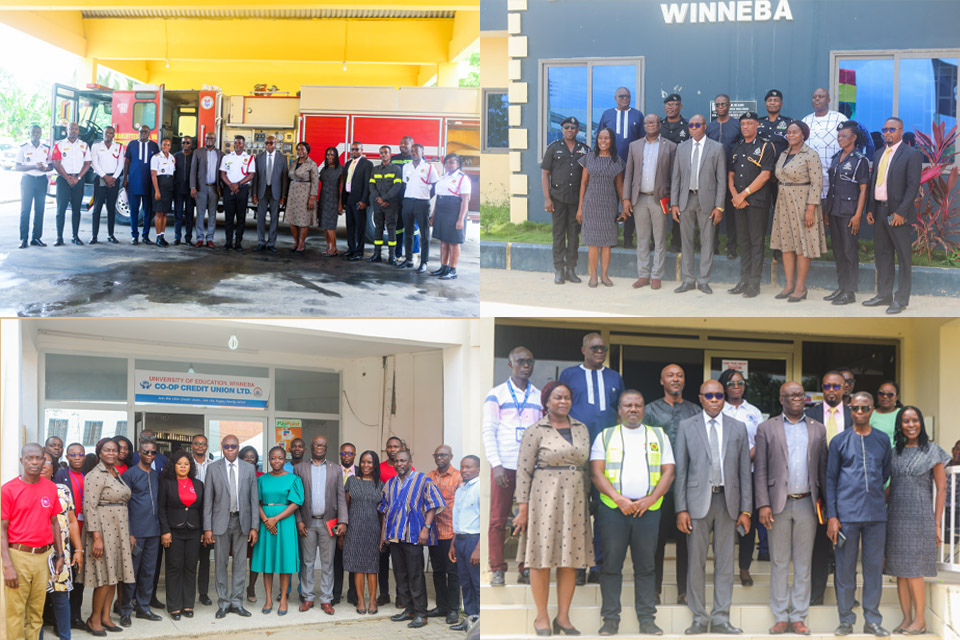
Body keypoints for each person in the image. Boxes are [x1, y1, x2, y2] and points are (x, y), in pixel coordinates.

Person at [590, 390, 676, 637]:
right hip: (613, 511)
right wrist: (619, 499)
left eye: (638, 405)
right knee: (611, 566)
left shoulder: (658, 435)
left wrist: (651, 499)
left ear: (644, 409)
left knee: (646, 567)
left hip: (648, 511)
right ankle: (610, 620)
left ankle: (647, 619)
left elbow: (668, 472)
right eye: (628, 405)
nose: (633, 409)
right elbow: (597, 473)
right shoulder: (606, 436)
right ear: (619, 409)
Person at [512, 381, 592, 636]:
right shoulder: (535, 430)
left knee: (570, 559)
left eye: (567, 397)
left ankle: (564, 618)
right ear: (546, 401)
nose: (563, 402)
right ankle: (542, 617)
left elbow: (588, 468)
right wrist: (522, 508)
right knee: (541, 559)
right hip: (544, 499)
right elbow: (523, 471)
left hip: (576, 499)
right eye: (557, 397)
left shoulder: (581, 428)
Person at [675, 379, 752, 635]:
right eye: (709, 395)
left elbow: (744, 473)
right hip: (697, 503)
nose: (715, 399)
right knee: (696, 561)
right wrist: (680, 508)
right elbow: (681, 471)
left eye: (719, 395)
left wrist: (746, 510)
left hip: (728, 502)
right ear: (700, 397)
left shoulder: (738, 428)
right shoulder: (686, 426)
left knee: (725, 562)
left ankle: (721, 617)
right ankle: (699, 616)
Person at [754, 381, 827, 635]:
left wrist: (826, 507)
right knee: (779, 561)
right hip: (777, 505)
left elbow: (822, 469)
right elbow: (760, 469)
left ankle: (798, 616)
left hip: (808, 502)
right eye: (790, 395)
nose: (796, 398)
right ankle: (780, 615)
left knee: (804, 563)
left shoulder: (818, 429)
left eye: (800, 394)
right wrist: (763, 503)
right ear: (781, 399)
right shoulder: (766, 428)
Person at [825, 391, 892, 637]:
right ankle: (845, 620)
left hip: (875, 514)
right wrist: (832, 516)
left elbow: (884, 473)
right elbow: (830, 479)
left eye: (865, 408)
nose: (860, 412)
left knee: (874, 569)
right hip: (846, 516)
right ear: (849, 410)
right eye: (855, 408)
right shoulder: (839, 441)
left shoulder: (883, 440)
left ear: (872, 409)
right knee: (844, 570)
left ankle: (872, 620)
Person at [560, 333, 624, 584]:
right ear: (583, 349)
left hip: (605, 453)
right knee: (577, 512)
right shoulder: (569, 375)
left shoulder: (614, 377)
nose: (600, 351)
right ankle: (577, 566)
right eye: (595, 348)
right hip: (575, 452)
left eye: (603, 348)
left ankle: (597, 564)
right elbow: (561, 408)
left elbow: (619, 412)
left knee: (604, 512)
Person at [886, 406, 949, 635]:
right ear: (899, 425)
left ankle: (920, 620)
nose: (910, 425)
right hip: (895, 515)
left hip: (920, 516)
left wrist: (937, 523)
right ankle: (906, 619)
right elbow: (893, 486)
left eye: (914, 420)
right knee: (900, 572)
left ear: (921, 423)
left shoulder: (933, 450)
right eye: (905, 421)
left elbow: (942, 489)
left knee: (914, 571)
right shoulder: (894, 452)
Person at [482, 346, 540, 587]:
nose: (525, 366)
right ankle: (497, 568)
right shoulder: (496, 394)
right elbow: (488, 430)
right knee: (498, 519)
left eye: (529, 361)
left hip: (532, 467)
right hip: (504, 465)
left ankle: (525, 567)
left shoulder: (538, 395)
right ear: (510, 364)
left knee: (530, 517)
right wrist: (495, 465)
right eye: (520, 361)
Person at [645, 364, 700, 605]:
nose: (675, 379)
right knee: (654, 539)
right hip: (659, 485)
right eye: (670, 375)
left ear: (684, 381)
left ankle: (684, 591)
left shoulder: (695, 410)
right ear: (661, 380)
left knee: (686, 539)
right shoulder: (649, 410)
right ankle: (653, 589)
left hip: (688, 486)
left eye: (679, 376)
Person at [2, 444, 65, 640]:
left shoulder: (50, 487)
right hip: (18, 556)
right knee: (16, 613)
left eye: (39, 458)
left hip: (43, 557)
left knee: (36, 613)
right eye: (30, 458)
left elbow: (54, 522)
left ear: (45, 461)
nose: (35, 462)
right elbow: (2, 529)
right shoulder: (8, 490)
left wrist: (60, 554)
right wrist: (7, 565)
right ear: (22, 461)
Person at [379, 449, 445, 629]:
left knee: (416, 575)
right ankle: (409, 610)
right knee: (400, 575)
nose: (399, 464)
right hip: (395, 537)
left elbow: (433, 505)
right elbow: (385, 510)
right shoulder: (390, 484)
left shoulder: (423, 480)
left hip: (414, 535)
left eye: (403, 460)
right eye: (397, 461)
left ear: (410, 462)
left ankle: (422, 614)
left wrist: (426, 528)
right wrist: (384, 536)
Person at [863, 117, 923, 314]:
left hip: (898, 213)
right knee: (883, 254)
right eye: (885, 129)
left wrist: (901, 212)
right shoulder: (880, 153)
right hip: (879, 211)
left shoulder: (911, 154)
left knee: (903, 258)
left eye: (892, 129)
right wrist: (870, 209)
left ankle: (901, 299)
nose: (887, 132)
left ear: (900, 131)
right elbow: (875, 183)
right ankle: (884, 295)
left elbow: (913, 186)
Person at [805, 370, 853, 606]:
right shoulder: (809, 415)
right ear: (822, 389)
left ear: (845, 388)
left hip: (849, 490)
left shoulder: (856, 415)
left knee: (848, 544)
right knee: (819, 545)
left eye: (836, 386)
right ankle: (816, 595)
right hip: (819, 490)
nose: (831, 391)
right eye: (827, 386)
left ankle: (847, 596)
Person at [203, 434, 259, 619]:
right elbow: (208, 501)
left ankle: (237, 602)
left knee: (240, 564)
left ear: (238, 447)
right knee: (220, 564)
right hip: (220, 522)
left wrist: (254, 527)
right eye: (226, 446)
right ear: (222, 447)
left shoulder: (249, 468)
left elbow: (253, 499)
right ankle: (224, 603)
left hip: (242, 522)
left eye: (233, 446)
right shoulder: (213, 468)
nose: (229, 449)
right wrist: (207, 528)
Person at [81, 439, 134, 636]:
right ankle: (94, 619)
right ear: (99, 453)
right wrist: (96, 537)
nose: (112, 453)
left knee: (114, 576)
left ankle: (105, 617)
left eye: (115, 450)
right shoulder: (95, 475)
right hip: (103, 530)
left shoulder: (116, 473)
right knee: (104, 577)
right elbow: (89, 507)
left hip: (118, 528)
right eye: (107, 450)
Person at [718, 368, 765, 585]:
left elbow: (759, 441)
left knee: (747, 521)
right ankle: (723, 568)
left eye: (740, 383)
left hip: (750, 474)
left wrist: (744, 460)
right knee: (724, 521)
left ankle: (744, 567)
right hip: (723, 475)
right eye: (731, 383)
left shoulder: (753, 411)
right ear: (724, 387)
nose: (736, 387)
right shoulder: (718, 409)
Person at [671, 114, 727, 294]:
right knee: (686, 242)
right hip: (685, 199)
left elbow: (721, 180)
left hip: (708, 202)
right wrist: (674, 203)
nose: (693, 128)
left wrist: (719, 206)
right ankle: (688, 280)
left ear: (705, 127)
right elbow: (676, 178)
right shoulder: (682, 148)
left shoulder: (717, 148)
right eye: (691, 125)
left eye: (697, 125)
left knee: (707, 241)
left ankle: (703, 281)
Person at [770, 121, 826, 302]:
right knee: (786, 244)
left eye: (795, 132)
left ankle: (801, 288)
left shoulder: (811, 155)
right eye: (789, 132)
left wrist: (811, 209)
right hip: (784, 202)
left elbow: (817, 183)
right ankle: (789, 285)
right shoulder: (784, 154)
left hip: (803, 203)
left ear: (803, 134)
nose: (791, 135)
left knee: (803, 245)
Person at [293, 435, 347, 615]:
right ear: (311, 446)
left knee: (327, 563)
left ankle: (326, 599)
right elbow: (296, 498)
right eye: (317, 444)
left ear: (326, 447)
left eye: (323, 445)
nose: (320, 447)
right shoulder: (299, 468)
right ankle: (308, 597)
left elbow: (341, 497)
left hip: (328, 524)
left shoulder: (335, 469)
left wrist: (343, 521)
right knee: (307, 562)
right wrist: (299, 520)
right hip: (307, 523)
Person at [622, 114, 677, 290]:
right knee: (642, 238)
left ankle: (656, 275)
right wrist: (626, 198)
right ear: (644, 125)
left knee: (660, 238)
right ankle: (643, 274)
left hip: (659, 199)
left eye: (653, 122)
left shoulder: (670, 146)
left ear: (659, 124)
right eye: (647, 123)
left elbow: (675, 177)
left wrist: (673, 200)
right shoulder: (635, 146)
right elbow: (628, 174)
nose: (650, 125)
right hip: (639, 198)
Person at [728, 112, 776, 298]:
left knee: (756, 242)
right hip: (739, 202)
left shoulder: (765, 146)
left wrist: (744, 194)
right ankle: (744, 280)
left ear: (757, 125)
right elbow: (731, 174)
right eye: (743, 124)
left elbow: (765, 175)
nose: (746, 127)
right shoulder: (738, 147)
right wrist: (735, 195)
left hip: (756, 202)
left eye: (750, 123)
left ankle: (754, 283)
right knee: (744, 242)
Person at [252, 446, 304, 616]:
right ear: (268, 459)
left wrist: (275, 519)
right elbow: (256, 502)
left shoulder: (293, 479)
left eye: (280, 458)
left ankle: (283, 600)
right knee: (267, 563)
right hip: (266, 523)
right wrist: (266, 520)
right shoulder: (261, 479)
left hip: (285, 523)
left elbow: (296, 503)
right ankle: (268, 599)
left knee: (284, 562)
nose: (276, 461)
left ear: (285, 459)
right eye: (273, 458)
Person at [823, 121, 870, 306]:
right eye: (839, 136)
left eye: (844, 136)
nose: (840, 139)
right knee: (839, 252)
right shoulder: (836, 157)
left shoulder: (860, 160)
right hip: (835, 210)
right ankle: (842, 287)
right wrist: (827, 212)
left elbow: (863, 190)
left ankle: (850, 292)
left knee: (849, 252)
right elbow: (831, 188)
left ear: (854, 137)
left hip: (849, 213)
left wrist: (858, 215)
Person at [118, 439, 163, 625]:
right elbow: (123, 506)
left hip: (154, 531)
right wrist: (129, 532)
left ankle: (143, 607)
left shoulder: (155, 475)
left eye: (153, 452)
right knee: (131, 573)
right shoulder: (129, 475)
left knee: (149, 572)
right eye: (146, 452)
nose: (150, 456)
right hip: (136, 532)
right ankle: (125, 610)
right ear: (139, 452)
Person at [542, 116, 590, 285]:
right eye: (566, 127)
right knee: (558, 234)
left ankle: (571, 269)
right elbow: (545, 174)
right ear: (562, 130)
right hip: (558, 199)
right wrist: (547, 198)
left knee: (574, 235)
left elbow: (588, 176)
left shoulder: (584, 149)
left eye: (573, 127)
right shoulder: (554, 148)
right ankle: (559, 269)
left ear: (578, 131)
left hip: (576, 200)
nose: (570, 130)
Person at [576, 127, 625, 287]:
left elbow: (619, 186)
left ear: (611, 140)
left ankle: (604, 275)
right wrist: (580, 208)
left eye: (606, 138)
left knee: (607, 242)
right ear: (597, 140)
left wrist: (624, 204)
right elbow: (583, 183)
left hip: (609, 205)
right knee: (593, 242)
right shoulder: (589, 158)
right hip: (591, 204)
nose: (603, 141)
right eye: (600, 138)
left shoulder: (616, 161)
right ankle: (593, 276)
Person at [158, 450, 204, 620]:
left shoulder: (198, 484)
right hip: (173, 532)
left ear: (190, 466)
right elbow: (161, 509)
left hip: (193, 531)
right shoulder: (166, 483)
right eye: (179, 464)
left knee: (191, 568)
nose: (183, 467)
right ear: (173, 465)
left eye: (186, 464)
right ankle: (174, 606)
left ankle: (188, 605)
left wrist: (203, 531)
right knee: (174, 568)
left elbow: (202, 509)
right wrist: (165, 531)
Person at [41, 452, 82, 640]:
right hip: (37, 554)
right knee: (37, 602)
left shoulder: (63, 490)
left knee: (61, 597)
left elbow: (72, 521)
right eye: (38, 460)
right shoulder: (24, 488)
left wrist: (78, 550)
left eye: (46, 462)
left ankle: (65, 636)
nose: (42, 465)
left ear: (53, 467)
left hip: (61, 553)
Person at [597, 87, 644, 249]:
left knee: (628, 202)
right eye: (621, 96)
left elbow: (642, 141)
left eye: (628, 96)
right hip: (610, 166)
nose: (625, 99)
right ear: (615, 97)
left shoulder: (637, 115)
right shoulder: (607, 114)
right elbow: (599, 138)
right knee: (610, 202)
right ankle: (610, 238)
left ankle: (628, 239)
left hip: (630, 167)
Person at [343, 451, 383, 615]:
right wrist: (343, 530)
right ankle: (360, 599)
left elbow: (382, 513)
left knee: (372, 567)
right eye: (363, 462)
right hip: (354, 528)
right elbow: (345, 507)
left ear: (375, 465)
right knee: (358, 566)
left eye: (370, 462)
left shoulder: (380, 484)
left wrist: (383, 536)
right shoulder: (352, 481)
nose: (366, 465)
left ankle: (372, 599)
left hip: (373, 529)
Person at [426, 445, 462, 624]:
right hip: (434, 532)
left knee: (452, 572)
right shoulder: (429, 476)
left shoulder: (458, 477)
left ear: (451, 456)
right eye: (437, 455)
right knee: (438, 571)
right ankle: (441, 606)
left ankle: (453, 609)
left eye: (443, 455)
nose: (439, 457)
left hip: (451, 532)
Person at [54, 443, 86, 629]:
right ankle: (61, 622)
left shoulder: (87, 475)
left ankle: (76, 617)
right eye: (73, 454)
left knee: (79, 578)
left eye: (80, 454)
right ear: (67, 456)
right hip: (66, 535)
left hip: (83, 532)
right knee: (63, 580)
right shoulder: (60, 475)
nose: (77, 457)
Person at [706, 95, 742, 258]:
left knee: (732, 214)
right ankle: (713, 246)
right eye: (718, 104)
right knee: (713, 211)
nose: (720, 107)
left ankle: (732, 247)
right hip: (712, 176)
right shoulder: (710, 126)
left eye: (723, 104)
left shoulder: (736, 125)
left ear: (729, 105)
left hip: (731, 175)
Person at [448, 454, 480, 631]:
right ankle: (470, 619)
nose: (464, 470)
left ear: (478, 469)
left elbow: (485, 520)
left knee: (476, 583)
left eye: (469, 467)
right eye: (462, 467)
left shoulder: (480, 488)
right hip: (460, 540)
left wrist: (479, 549)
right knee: (465, 583)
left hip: (474, 541)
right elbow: (457, 520)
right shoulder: (461, 489)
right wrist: (453, 544)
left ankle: (482, 623)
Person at [800, 88, 848, 202]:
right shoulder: (805, 121)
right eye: (814, 97)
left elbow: (848, 145)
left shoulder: (839, 119)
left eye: (820, 97)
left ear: (828, 100)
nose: (817, 99)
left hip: (834, 177)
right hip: (810, 178)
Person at [431, 152, 472, 280]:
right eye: (447, 162)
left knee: (454, 242)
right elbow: (438, 198)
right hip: (442, 211)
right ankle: (443, 267)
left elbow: (465, 200)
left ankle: (452, 269)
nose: (448, 165)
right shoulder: (443, 177)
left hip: (455, 212)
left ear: (458, 164)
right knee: (443, 241)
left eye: (452, 162)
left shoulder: (462, 178)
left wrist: (460, 219)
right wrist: (433, 215)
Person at [51, 122, 92, 246]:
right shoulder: (59, 145)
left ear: (78, 131)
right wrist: (67, 177)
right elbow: (56, 163)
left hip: (78, 180)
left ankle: (75, 236)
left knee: (76, 210)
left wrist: (78, 177)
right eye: (71, 128)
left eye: (76, 129)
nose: (73, 131)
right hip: (63, 180)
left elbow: (87, 163)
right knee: (60, 210)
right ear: (67, 130)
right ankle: (59, 237)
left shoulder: (84, 145)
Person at [399, 143, 438, 270]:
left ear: (422, 152)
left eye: (417, 151)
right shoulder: (406, 166)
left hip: (422, 202)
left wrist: (425, 195)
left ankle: (424, 263)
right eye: (412, 151)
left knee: (424, 234)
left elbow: (435, 186)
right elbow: (405, 184)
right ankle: (409, 259)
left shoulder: (429, 167)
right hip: (408, 202)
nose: (414, 153)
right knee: (408, 232)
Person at [660, 94, 690, 253]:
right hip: (661, 174)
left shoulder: (687, 126)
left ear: (681, 107)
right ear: (665, 107)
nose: (672, 108)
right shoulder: (658, 125)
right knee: (659, 208)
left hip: (681, 173)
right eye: (669, 105)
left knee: (679, 207)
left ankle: (676, 242)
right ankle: (656, 241)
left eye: (675, 104)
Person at [251, 135, 288, 253]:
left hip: (275, 192)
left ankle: (272, 243)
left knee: (274, 219)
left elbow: (284, 178)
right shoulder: (259, 157)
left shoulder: (282, 158)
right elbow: (255, 177)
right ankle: (261, 242)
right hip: (262, 191)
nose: (269, 145)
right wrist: (254, 194)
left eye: (271, 143)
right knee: (260, 218)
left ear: (276, 143)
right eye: (267, 143)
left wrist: (283, 195)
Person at [15, 124, 51, 248]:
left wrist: (46, 168)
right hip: (28, 180)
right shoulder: (23, 148)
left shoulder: (46, 148)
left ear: (41, 134)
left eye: (38, 132)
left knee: (40, 210)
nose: (36, 134)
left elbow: (51, 165)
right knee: (26, 210)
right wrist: (34, 166)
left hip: (41, 180)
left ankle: (36, 238)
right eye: (34, 132)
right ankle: (23, 239)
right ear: (29, 134)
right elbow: (17, 166)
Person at [189, 435, 214, 606]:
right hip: (189, 515)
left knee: (205, 558)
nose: (200, 446)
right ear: (192, 446)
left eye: (203, 444)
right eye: (197, 444)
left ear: (207, 446)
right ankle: (188, 592)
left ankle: (203, 593)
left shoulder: (214, 465)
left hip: (209, 515)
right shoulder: (185, 463)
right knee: (190, 558)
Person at [124, 125, 160, 245]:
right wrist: (125, 178)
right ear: (138, 132)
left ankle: (145, 235)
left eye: (145, 132)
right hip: (134, 182)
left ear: (149, 133)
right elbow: (127, 162)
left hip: (148, 183)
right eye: (141, 132)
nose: (143, 133)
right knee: (134, 210)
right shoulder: (132, 144)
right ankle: (134, 235)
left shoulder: (154, 146)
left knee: (148, 210)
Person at [368, 145, 403, 265]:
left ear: (390, 154)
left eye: (386, 152)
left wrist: (384, 198)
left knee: (391, 228)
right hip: (378, 204)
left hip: (391, 204)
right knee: (378, 228)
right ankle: (376, 254)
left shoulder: (396, 169)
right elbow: (371, 186)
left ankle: (392, 256)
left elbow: (397, 186)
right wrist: (378, 199)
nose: (383, 154)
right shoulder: (375, 169)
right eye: (381, 153)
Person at [220, 135, 256, 251]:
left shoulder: (249, 158)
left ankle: (238, 243)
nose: (237, 145)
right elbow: (222, 174)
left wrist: (238, 184)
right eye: (235, 143)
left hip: (242, 190)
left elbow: (251, 174)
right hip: (229, 190)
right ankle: (228, 242)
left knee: (241, 218)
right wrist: (231, 185)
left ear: (244, 145)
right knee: (228, 218)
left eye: (240, 143)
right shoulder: (226, 157)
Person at [89, 126, 124, 245]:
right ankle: (94, 236)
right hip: (100, 178)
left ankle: (111, 235)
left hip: (114, 179)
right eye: (106, 133)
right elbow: (94, 163)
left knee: (111, 209)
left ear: (114, 135)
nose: (108, 135)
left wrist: (113, 178)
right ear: (103, 134)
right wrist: (105, 176)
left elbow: (121, 164)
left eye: (111, 133)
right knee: (97, 208)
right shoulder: (96, 146)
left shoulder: (118, 147)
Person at [189, 131, 222, 248]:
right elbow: (193, 171)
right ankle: (199, 238)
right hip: (201, 188)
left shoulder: (220, 154)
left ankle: (210, 239)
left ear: (215, 140)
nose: (210, 140)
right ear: (205, 139)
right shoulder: (198, 152)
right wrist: (193, 187)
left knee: (212, 215)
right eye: (208, 138)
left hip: (214, 188)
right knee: (200, 214)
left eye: (212, 138)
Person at [333, 443, 357, 606]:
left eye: (350, 453)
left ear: (354, 455)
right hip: (335, 521)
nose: (346, 456)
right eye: (344, 453)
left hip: (356, 521)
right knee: (337, 560)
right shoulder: (333, 471)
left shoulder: (363, 473)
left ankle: (353, 594)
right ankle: (335, 593)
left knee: (354, 559)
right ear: (340, 455)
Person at [284, 142, 319, 254]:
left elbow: (315, 182)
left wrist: (312, 197)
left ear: (307, 150)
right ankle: (296, 242)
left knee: (303, 220)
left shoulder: (312, 164)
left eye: (303, 149)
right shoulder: (294, 162)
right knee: (292, 219)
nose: (300, 152)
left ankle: (301, 244)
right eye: (298, 149)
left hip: (305, 193)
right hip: (293, 192)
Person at [341, 142, 373, 261]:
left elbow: (367, 184)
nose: (354, 151)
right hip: (349, 198)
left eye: (356, 149)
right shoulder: (348, 163)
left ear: (362, 150)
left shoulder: (367, 164)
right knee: (350, 225)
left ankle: (359, 252)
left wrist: (364, 201)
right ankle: (351, 249)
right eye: (352, 149)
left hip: (359, 200)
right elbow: (346, 182)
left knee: (360, 226)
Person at [239, 446, 263, 603]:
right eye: (246, 456)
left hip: (257, 521)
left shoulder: (261, 476)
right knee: (240, 557)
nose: (249, 459)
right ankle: (237, 588)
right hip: (239, 521)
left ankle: (251, 586)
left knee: (255, 557)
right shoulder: (236, 474)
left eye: (252, 456)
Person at [391, 136, 415, 257]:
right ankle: (398, 254)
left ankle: (413, 254)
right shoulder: (394, 158)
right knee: (398, 226)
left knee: (413, 227)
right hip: (397, 198)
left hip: (411, 198)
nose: (402, 145)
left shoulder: (416, 159)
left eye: (406, 143)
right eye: (401, 143)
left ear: (412, 145)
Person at [150, 137, 176, 247]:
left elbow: (172, 175)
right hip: (159, 186)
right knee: (159, 213)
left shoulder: (172, 158)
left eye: (168, 145)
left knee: (165, 213)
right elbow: (153, 175)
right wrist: (157, 191)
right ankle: (157, 237)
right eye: (164, 144)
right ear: (161, 145)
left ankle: (162, 236)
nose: (166, 147)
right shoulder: (156, 158)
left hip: (169, 187)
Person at [318, 146, 344, 256]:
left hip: (333, 198)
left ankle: (333, 248)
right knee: (324, 224)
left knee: (330, 225)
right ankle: (328, 246)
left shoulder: (340, 169)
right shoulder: (325, 169)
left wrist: (340, 204)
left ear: (336, 156)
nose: (330, 157)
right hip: (324, 198)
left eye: (332, 154)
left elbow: (342, 188)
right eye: (328, 155)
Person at [173, 135, 195, 245]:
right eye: (183, 143)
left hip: (190, 190)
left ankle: (188, 238)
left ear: (191, 144)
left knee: (189, 214)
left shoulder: (194, 156)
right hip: (178, 189)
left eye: (187, 142)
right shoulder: (176, 156)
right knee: (178, 213)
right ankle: (177, 237)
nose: (185, 145)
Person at [757, 89, 792, 159]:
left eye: (776, 100)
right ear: (765, 103)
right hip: (759, 164)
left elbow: (792, 145)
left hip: (780, 164)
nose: (772, 103)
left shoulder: (789, 123)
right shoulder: (758, 122)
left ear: (781, 104)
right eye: (769, 100)